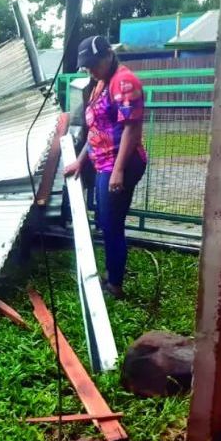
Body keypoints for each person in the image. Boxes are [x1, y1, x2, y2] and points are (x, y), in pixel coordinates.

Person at [63, 35, 148, 299]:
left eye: (93, 64)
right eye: (86, 66)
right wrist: (81, 159)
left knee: (111, 224)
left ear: (108, 55)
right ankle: (112, 274)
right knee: (105, 221)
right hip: (104, 163)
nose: (90, 69)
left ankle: (115, 285)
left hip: (120, 162)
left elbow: (132, 129)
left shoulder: (124, 82)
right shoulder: (102, 82)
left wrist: (118, 171)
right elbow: (97, 129)